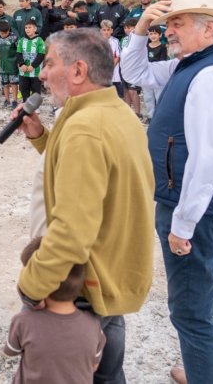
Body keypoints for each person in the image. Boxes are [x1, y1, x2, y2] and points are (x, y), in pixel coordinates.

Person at [120, 0, 213, 384]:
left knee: (190, 313)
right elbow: (134, 72)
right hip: (202, 211)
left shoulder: (212, 75)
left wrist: (183, 223)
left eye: (178, 23)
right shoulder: (192, 64)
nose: (169, 30)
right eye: (168, 23)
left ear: (209, 28)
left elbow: (206, 160)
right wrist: (142, 29)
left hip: (198, 213)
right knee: (210, 299)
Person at [14, 28, 154, 384]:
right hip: (109, 276)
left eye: (48, 64)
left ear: (77, 71)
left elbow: (72, 231)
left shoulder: (85, 128)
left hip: (80, 287)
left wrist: (32, 285)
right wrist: (40, 137)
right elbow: (88, 177)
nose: (42, 74)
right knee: (108, 373)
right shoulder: (115, 112)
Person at [4, 236, 106, 384]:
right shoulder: (94, 326)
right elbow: (94, 366)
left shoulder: (23, 321)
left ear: (39, 286)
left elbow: (10, 351)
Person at [0, 20, 19, 108]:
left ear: (9, 30)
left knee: (14, 83)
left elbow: (19, 51)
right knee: (5, 83)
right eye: (2, 33)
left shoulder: (14, 38)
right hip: (2, 64)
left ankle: (15, 100)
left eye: (6, 33)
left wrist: (19, 62)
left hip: (13, 64)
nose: (4, 34)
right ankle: (7, 99)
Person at [17, 20, 45, 103]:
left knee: (35, 88)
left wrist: (33, 66)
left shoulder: (40, 40)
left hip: (35, 70)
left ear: (35, 29)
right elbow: (18, 54)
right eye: (26, 27)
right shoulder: (21, 41)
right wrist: (22, 64)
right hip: (23, 70)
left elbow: (41, 55)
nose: (27, 29)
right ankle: (26, 103)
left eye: (30, 27)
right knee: (24, 88)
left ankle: (35, 106)